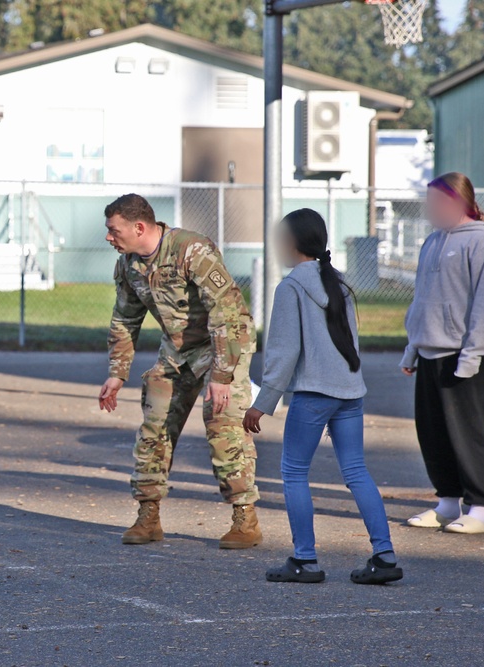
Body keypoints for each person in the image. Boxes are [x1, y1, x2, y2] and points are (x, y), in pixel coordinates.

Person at [244, 209, 401, 585]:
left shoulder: (291, 287)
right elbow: (352, 344)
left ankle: (305, 560)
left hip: (314, 394)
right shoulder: (339, 283)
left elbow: (283, 353)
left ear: (292, 243)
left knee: (293, 472)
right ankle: (385, 556)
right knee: (356, 472)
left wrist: (262, 403)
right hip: (350, 392)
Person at [98, 193, 261, 549]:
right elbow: (125, 317)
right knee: (153, 426)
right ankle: (148, 516)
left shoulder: (192, 250)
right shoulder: (129, 264)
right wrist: (117, 372)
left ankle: (244, 517)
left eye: (114, 230)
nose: (109, 237)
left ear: (139, 227)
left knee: (222, 425)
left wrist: (220, 378)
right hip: (177, 351)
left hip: (224, 345)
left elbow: (227, 314)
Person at [402, 172, 484, 534]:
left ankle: (480, 508)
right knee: (432, 433)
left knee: (467, 432)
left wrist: (473, 354)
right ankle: (447, 502)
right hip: (429, 352)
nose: (430, 210)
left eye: (437, 202)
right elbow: (422, 301)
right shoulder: (431, 241)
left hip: (465, 355)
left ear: (459, 202)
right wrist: (411, 349)